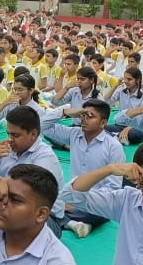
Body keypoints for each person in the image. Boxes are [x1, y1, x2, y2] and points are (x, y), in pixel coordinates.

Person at [42, 99, 125, 239]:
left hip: (96, 202)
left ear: (103, 123)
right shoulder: (74, 134)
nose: (84, 119)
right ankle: (73, 223)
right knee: (43, 202)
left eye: (90, 116)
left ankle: (66, 221)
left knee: (52, 211)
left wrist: (80, 201)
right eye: (83, 115)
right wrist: (65, 112)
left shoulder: (113, 147)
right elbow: (42, 126)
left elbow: (113, 188)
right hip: (71, 197)